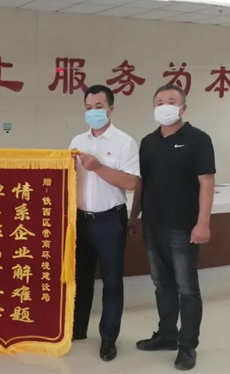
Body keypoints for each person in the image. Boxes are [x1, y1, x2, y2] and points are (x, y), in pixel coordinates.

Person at [130, 85, 215, 371]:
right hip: (152, 225)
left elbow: (206, 182)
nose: (164, 105)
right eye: (159, 101)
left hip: (183, 227)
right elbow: (141, 183)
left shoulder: (198, 139)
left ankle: (187, 345)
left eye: (170, 101)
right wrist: (134, 216)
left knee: (186, 288)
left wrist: (203, 222)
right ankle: (167, 335)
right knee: (162, 284)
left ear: (183, 107)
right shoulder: (148, 142)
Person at [69, 85, 140, 361]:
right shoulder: (77, 141)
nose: (93, 112)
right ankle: (77, 329)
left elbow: (132, 182)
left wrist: (98, 167)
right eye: (88, 108)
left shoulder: (125, 142)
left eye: (98, 107)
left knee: (111, 280)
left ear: (110, 109)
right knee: (80, 277)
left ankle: (108, 338)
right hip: (80, 219)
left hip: (110, 219)